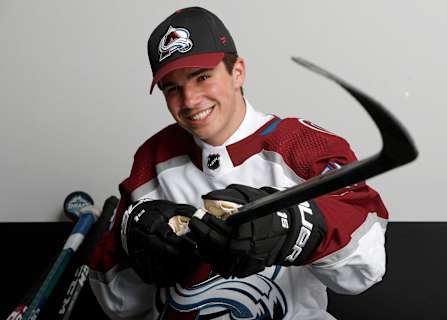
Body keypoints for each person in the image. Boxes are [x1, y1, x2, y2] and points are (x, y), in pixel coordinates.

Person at [89, 6, 389, 320]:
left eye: (202, 77)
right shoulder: (153, 157)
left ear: (237, 72)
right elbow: (117, 303)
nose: (189, 100)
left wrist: (295, 228)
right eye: (173, 88)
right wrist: (131, 245)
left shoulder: (304, 146)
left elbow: (366, 269)